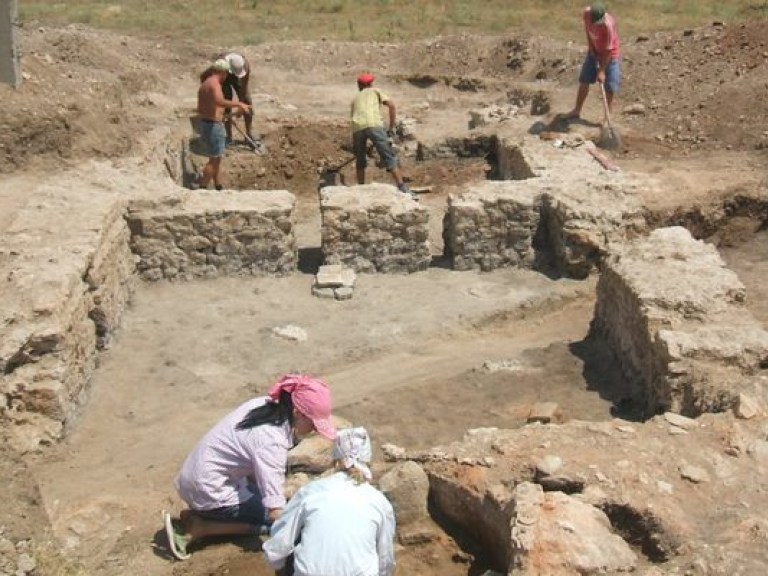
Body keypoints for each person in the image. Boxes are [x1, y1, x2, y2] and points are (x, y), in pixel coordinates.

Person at [163, 374, 336, 561]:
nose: (313, 430)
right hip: (209, 491)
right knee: (286, 524)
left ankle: (206, 515)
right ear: (297, 413)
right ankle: (203, 527)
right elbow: (275, 511)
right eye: (313, 423)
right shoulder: (272, 441)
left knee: (272, 503)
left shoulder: (263, 404)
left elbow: (255, 470)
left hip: (197, 478)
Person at [263, 427, 396, 576]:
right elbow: (385, 559)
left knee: (294, 535)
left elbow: (278, 545)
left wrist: (277, 565)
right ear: (368, 460)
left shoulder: (311, 491)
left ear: (335, 461)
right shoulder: (379, 502)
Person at [350, 73, 415, 200]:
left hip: (357, 128)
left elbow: (356, 117)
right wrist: (390, 128)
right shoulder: (375, 91)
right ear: (370, 84)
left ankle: (361, 188)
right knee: (388, 156)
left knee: (360, 159)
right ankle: (402, 187)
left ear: (359, 86)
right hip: (374, 125)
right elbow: (391, 105)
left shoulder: (355, 99)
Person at [195, 58, 251, 191]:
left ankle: (218, 186)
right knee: (214, 160)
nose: (226, 76)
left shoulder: (207, 83)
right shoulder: (214, 84)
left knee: (216, 159)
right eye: (226, 73)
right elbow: (219, 101)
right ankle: (202, 187)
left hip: (209, 123)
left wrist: (225, 115)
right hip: (213, 126)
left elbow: (211, 105)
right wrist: (238, 104)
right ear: (222, 72)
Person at [565, 3, 621, 120]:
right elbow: (587, 30)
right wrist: (591, 47)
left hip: (610, 57)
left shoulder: (608, 25)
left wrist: (601, 71)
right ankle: (577, 110)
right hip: (593, 53)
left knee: (609, 87)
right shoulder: (587, 14)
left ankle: (607, 118)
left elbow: (609, 51)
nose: (598, 25)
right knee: (584, 80)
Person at [216, 51, 257, 147]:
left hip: (232, 74)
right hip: (224, 78)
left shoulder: (245, 66)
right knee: (227, 103)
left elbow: (244, 87)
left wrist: (241, 105)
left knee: (247, 102)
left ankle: (249, 135)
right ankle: (229, 137)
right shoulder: (221, 65)